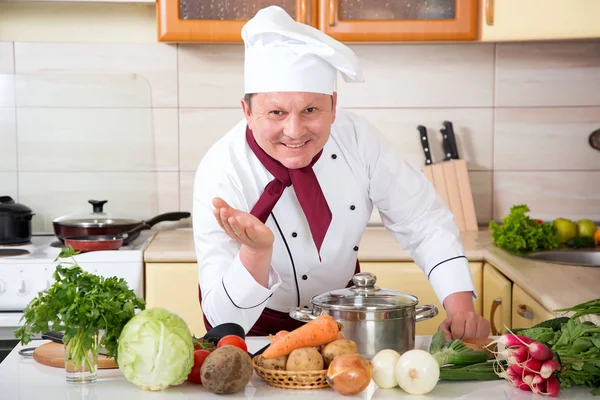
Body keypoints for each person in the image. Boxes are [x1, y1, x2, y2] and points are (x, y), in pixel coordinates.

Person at [192, 5, 490, 340]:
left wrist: (462, 308)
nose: (294, 130)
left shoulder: (359, 139)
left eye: (311, 110)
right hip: (254, 329)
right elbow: (220, 318)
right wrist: (256, 252)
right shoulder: (221, 170)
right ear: (247, 111)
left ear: (334, 106)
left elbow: (422, 219)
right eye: (276, 112)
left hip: (344, 322)